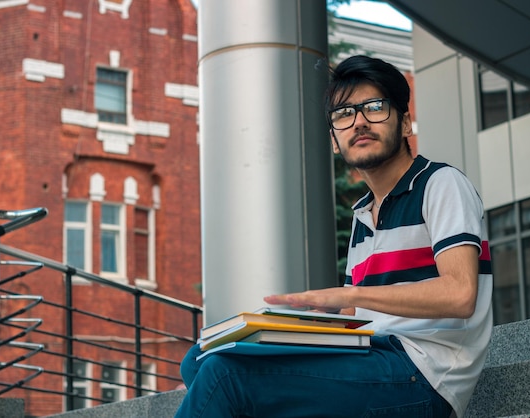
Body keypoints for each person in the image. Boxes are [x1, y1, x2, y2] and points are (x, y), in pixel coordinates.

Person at [174, 55, 493, 418]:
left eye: (374, 107)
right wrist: (289, 325)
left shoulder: (440, 184)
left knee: (225, 376)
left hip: (424, 373)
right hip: (370, 357)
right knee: (200, 357)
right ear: (334, 140)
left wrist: (350, 294)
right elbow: (356, 314)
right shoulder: (363, 214)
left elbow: (460, 293)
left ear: (405, 122)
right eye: (344, 114)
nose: (359, 122)